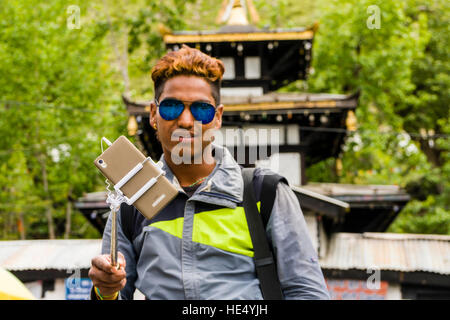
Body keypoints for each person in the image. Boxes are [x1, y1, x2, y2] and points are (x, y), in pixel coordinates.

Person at [88, 45, 330, 300]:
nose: (185, 120)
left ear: (217, 117)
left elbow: (307, 292)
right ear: (153, 114)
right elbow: (114, 294)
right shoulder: (131, 202)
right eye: (171, 107)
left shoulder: (264, 192)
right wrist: (105, 290)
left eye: (201, 110)